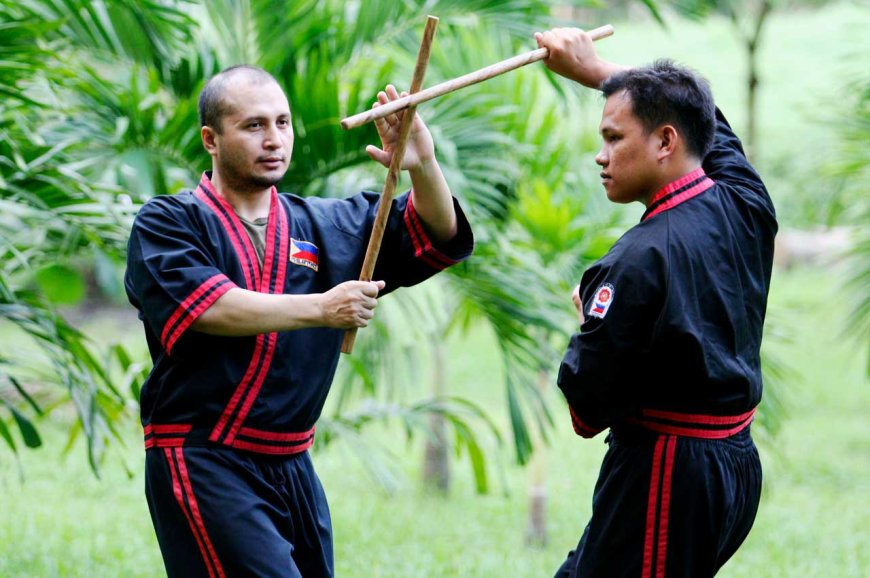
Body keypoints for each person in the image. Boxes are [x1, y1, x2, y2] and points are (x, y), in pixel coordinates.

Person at [124, 65, 473, 578]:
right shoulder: (168, 223)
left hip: (291, 463)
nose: (274, 140)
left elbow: (436, 232)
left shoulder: (325, 224)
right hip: (203, 458)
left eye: (283, 123)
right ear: (211, 139)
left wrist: (422, 164)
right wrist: (322, 308)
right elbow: (210, 307)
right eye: (254, 126)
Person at [534, 29, 777, 577]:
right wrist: (597, 71)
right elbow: (707, 121)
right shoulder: (747, 201)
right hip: (734, 466)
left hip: (667, 474)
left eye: (614, 138)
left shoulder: (634, 262)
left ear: (666, 142)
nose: (600, 156)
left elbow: (586, 411)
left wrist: (586, 319)